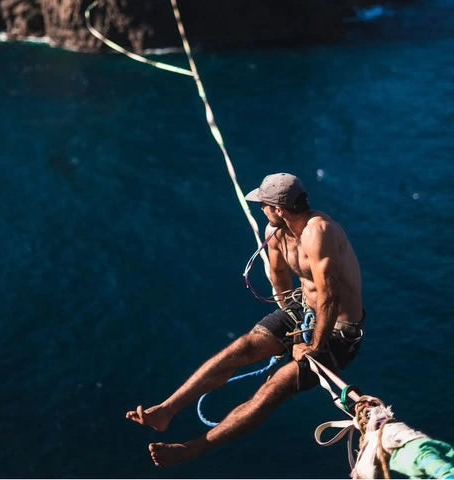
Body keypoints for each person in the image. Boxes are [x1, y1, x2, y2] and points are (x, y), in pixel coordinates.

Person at [126, 172, 364, 468]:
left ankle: (192, 448)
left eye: (263, 204)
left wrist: (313, 347)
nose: (260, 209)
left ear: (278, 208)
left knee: (273, 389)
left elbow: (329, 296)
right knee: (243, 347)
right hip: (303, 312)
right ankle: (166, 410)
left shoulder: (320, 231)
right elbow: (279, 277)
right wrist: (289, 314)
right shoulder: (275, 232)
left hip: (338, 332)